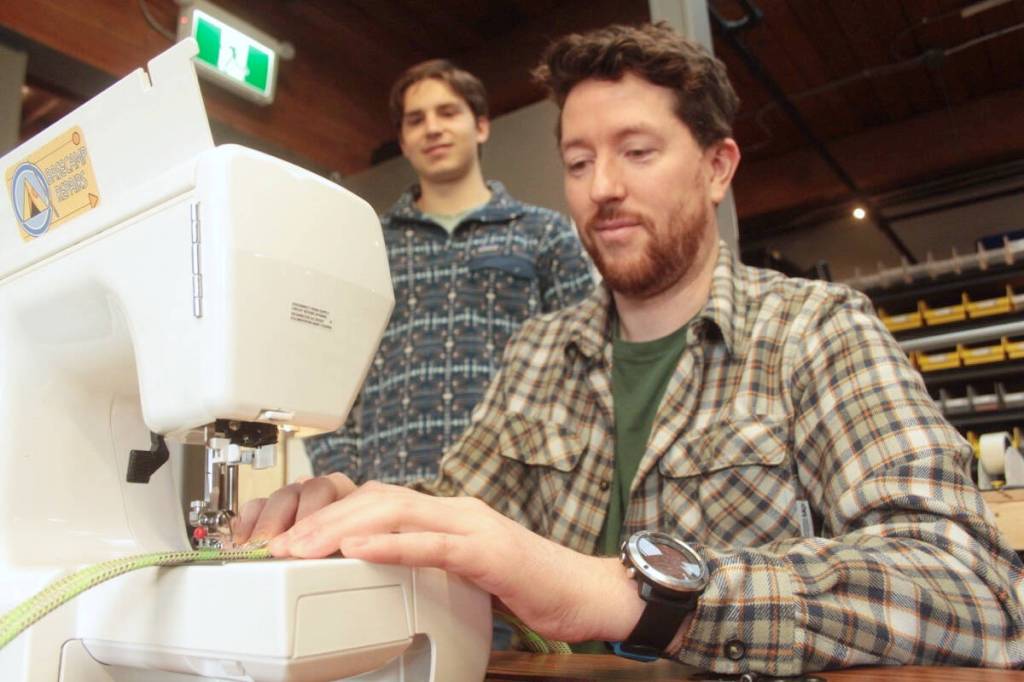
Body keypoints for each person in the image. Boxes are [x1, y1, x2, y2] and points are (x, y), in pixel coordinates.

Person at [235, 23, 1024, 675]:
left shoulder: (817, 332)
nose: (601, 187)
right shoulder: (540, 352)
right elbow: (455, 515)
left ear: (718, 168)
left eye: (637, 153)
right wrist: (357, 513)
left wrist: (632, 593)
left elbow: (976, 588)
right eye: (578, 163)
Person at [303, 59, 594, 486]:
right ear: (403, 141)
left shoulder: (545, 234)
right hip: (390, 495)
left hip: (517, 496)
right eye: (416, 120)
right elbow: (324, 369)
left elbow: (588, 365)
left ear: (481, 127)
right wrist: (344, 476)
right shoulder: (364, 245)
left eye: (448, 112)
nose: (432, 128)